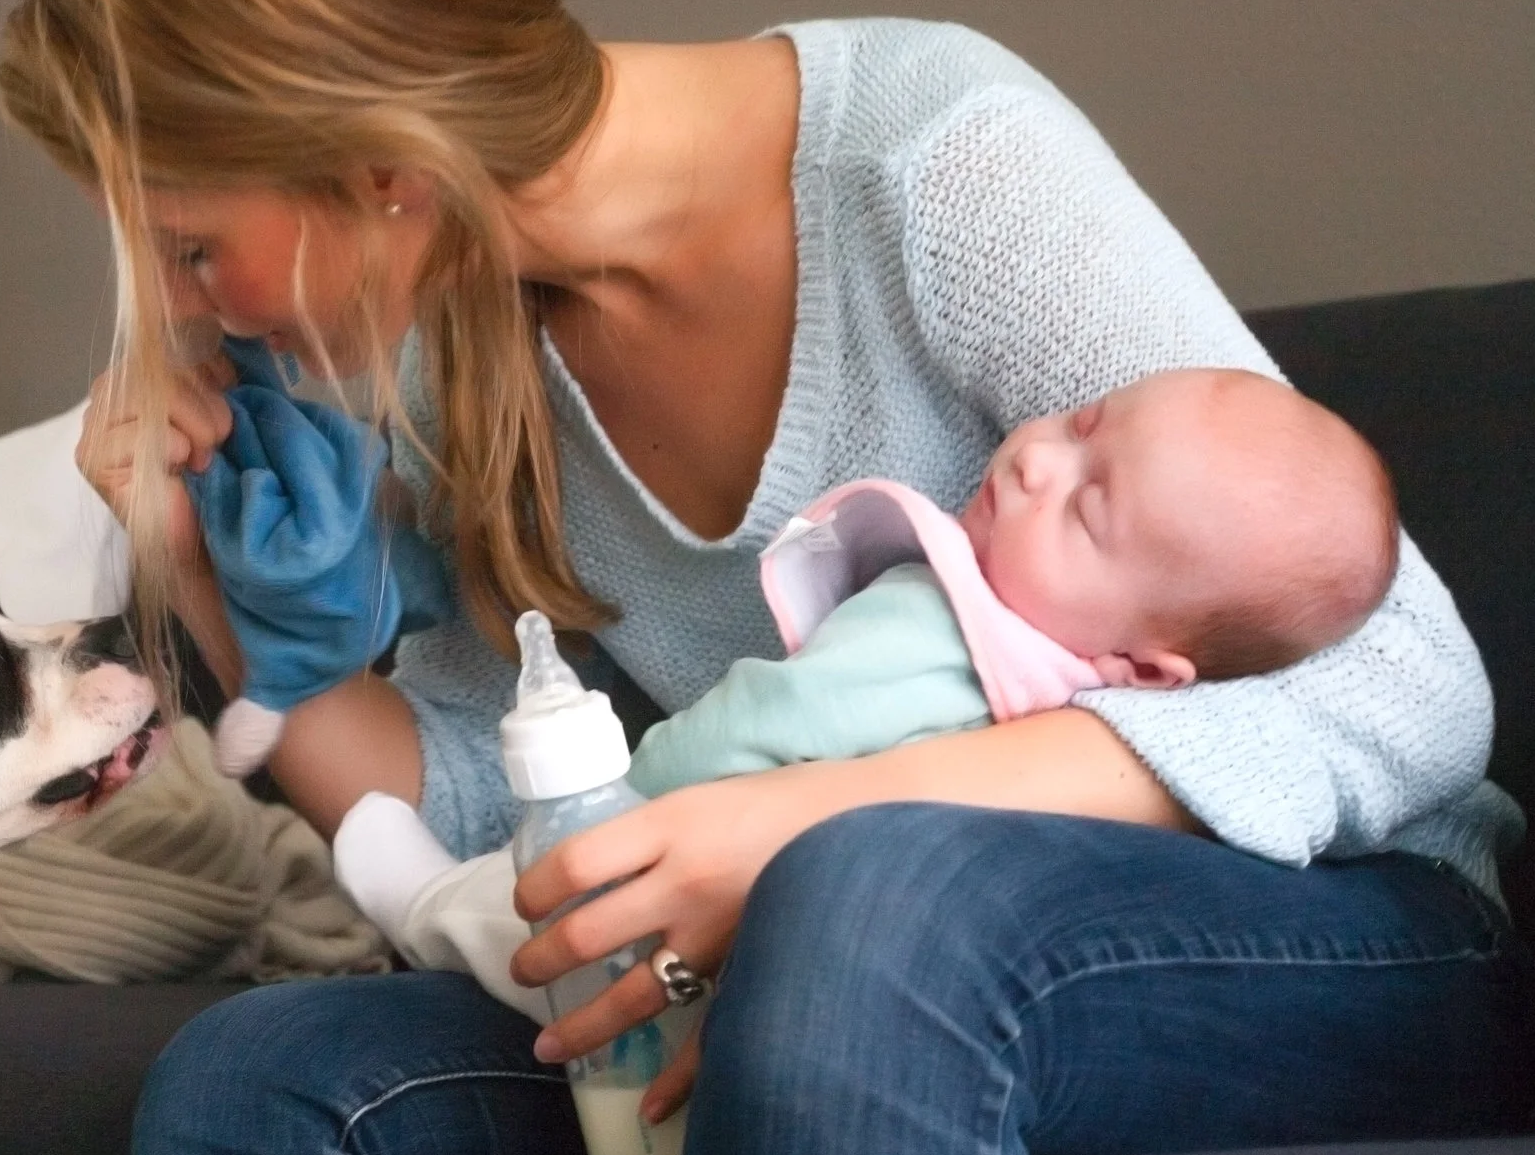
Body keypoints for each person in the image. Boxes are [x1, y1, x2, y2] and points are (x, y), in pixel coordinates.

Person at [0, 0, 1535, 1155]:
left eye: (192, 248)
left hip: (1333, 926)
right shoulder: (455, 364)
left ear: (380, 171)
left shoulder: (937, 165)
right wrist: (187, 553)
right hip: (821, 951)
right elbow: (480, 813)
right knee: (256, 1083)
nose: (195, 311)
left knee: (866, 894)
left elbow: (1402, 686)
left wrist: (803, 826)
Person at [337, 366, 1409, 1009]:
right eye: (1084, 423)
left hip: (706, 889)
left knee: (526, 915)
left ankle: (436, 910)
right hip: (823, 938)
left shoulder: (940, 631)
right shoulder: (1067, 693)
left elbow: (767, 720)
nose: (1037, 462)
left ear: (1142, 670)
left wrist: (636, 795)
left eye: (1087, 511)